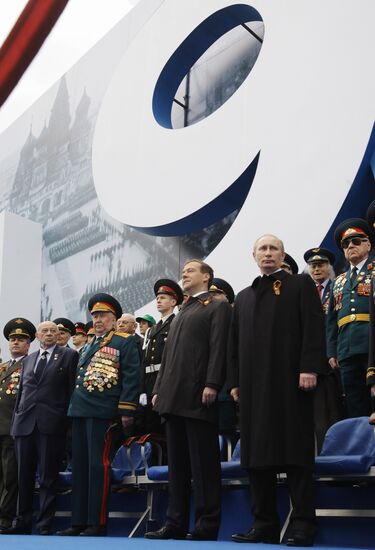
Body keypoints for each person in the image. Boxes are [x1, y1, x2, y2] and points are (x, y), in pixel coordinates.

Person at [228, 234, 327, 547]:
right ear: (253, 255)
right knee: (257, 458)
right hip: (254, 391)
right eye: (262, 249)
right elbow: (234, 346)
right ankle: (264, 524)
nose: (268, 253)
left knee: (296, 456)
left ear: (283, 255)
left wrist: (309, 367)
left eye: (273, 249)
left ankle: (303, 525)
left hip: (291, 383)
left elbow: (313, 328)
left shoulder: (300, 284)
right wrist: (234, 382)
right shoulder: (243, 297)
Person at [145, 260, 232, 541]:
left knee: (203, 466)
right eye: (184, 271)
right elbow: (168, 357)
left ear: (206, 277)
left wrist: (212, 383)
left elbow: (219, 347)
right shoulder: (183, 310)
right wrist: (159, 388)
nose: (185, 273)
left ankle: (206, 526)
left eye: (191, 270)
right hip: (172, 397)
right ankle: (175, 523)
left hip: (198, 395)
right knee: (178, 467)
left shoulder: (216, 306)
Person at [57, 293, 140, 537]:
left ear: (114, 319)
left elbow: (132, 376)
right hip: (80, 411)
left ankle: (97, 521)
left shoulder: (125, 342)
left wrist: (127, 409)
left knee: (97, 467)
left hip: (103, 411)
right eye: (94, 315)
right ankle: (78, 521)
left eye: (103, 315)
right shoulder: (89, 345)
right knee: (80, 468)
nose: (98, 320)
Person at [2, 321, 78, 535]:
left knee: (47, 477)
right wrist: (17, 419)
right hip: (24, 425)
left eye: (54, 331)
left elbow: (71, 389)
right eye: (45, 330)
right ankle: (22, 522)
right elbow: (21, 393)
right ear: (37, 335)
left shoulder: (68, 356)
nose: (50, 334)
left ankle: (44, 524)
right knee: (23, 477)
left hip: (51, 424)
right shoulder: (29, 360)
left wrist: (67, 422)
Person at [326, 218, 374, 418]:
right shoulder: (338, 280)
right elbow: (331, 321)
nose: (350, 246)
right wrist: (331, 351)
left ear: (368, 244)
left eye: (356, 241)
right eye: (345, 244)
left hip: (371, 344)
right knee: (354, 402)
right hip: (346, 349)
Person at [304, 248, 343, 451]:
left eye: (321, 264)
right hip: (310, 363)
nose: (317, 268)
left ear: (329, 267)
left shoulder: (338, 287)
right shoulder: (304, 291)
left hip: (334, 361)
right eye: (313, 265)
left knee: (333, 414)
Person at [0, 318, 36, 531]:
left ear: (29, 343)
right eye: (13, 339)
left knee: (10, 476)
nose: (16, 343)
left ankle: (5, 517)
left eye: (21, 339)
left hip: (13, 428)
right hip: (0, 427)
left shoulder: (30, 364)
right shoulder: (4, 367)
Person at [140, 279, 183, 434]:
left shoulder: (177, 322)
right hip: (150, 380)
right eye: (157, 298)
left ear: (173, 302)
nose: (158, 300)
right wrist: (142, 389)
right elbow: (145, 360)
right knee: (150, 425)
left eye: (163, 298)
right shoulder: (152, 329)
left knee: (165, 425)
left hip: (165, 378)